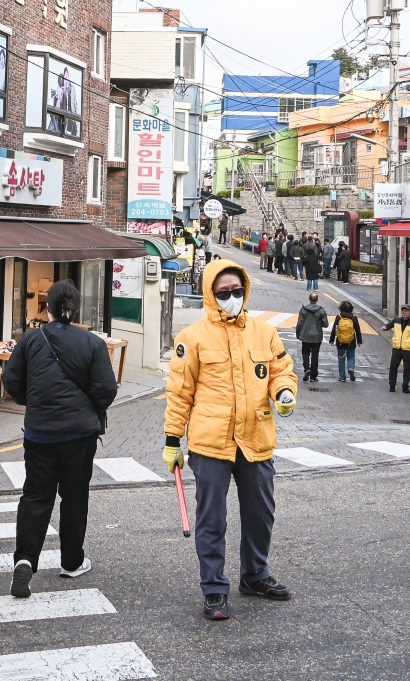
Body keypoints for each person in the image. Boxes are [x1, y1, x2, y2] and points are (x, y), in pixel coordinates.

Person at [163, 260, 298, 621]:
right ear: (211, 294)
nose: (232, 298)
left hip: (256, 438)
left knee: (260, 513)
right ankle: (214, 589)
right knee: (212, 519)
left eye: (237, 291)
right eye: (224, 293)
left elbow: (281, 370)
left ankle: (255, 576)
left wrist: (283, 391)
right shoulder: (192, 338)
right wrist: (173, 440)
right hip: (210, 444)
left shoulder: (264, 332)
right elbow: (179, 393)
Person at [1, 280, 118, 598]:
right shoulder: (92, 343)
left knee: (36, 496)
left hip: (39, 433)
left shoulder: (30, 340)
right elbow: (107, 388)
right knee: (74, 497)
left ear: (47, 308)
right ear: (76, 308)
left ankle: (25, 559)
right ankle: (71, 560)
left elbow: (13, 382)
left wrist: (35, 402)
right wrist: (89, 407)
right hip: (80, 434)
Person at [295, 292, 328, 382]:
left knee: (305, 353)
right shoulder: (321, 310)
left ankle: (307, 369)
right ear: (317, 300)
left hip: (305, 335)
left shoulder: (303, 309)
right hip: (317, 336)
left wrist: (298, 334)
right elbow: (325, 324)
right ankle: (313, 376)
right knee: (315, 355)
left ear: (309, 299)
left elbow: (299, 323)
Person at [330, 300, 362, 382]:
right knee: (351, 357)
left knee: (341, 359)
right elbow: (358, 330)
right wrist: (359, 341)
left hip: (340, 341)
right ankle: (351, 368)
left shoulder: (338, 317)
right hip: (351, 342)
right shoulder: (354, 318)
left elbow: (334, 329)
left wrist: (332, 340)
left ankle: (342, 377)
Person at [389, 304, 410, 394]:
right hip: (397, 348)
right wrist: (385, 327)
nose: (405, 313)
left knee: (407, 369)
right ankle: (392, 385)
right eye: (403, 311)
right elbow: (389, 325)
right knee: (393, 367)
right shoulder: (396, 321)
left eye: (407, 311)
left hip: (407, 349)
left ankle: (405, 386)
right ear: (401, 312)